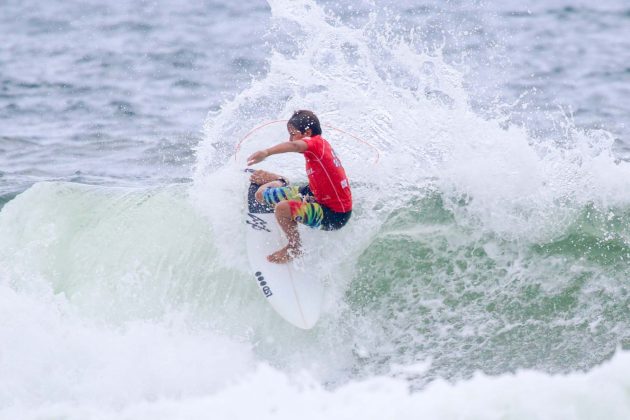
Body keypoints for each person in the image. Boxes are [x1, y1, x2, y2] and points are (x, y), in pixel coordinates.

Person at [247, 110, 352, 263]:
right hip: (315, 194)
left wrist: (266, 152)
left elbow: (295, 145)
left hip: (335, 214)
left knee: (282, 209)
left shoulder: (316, 144)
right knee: (260, 194)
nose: (290, 138)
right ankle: (281, 180)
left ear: (307, 132)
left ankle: (294, 248)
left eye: (293, 133)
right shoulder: (317, 148)